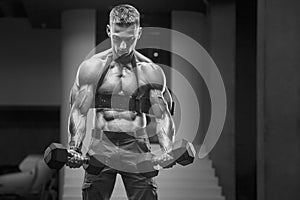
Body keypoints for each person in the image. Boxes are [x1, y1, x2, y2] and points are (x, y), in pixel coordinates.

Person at [66, 4, 175, 200]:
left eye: (130, 38)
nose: (123, 46)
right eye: (117, 38)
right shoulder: (92, 68)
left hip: (137, 144)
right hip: (102, 143)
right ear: (109, 31)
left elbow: (163, 114)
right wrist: (74, 147)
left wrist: (167, 149)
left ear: (139, 33)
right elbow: (79, 111)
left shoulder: (150, 71)